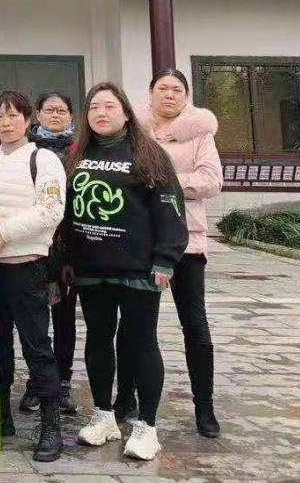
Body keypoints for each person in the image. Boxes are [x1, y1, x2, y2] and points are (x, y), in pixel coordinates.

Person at [63, 82, 188, 463]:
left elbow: (170, 207)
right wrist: (65, 259)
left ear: (126, 112)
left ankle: (147, 426)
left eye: (109, 106)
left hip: (138, 269)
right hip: (90, 268)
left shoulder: (149, 154)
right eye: (94, 107)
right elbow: (64, 211)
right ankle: (104, 415)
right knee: (98, 339)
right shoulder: (76, 155)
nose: (101, 113)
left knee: (141, 342)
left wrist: (166, 258)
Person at [119, 69, 222, 439]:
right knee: (134, 324)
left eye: (177, 89)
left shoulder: (200, 133)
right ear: (150, 93)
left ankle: (204, 405)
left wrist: (164, 183)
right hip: (140, 240)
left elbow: (211, 180)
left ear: (186, 96)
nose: (169, 94)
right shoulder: (133, 130)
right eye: (162, 88)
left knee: (194, 324)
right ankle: (125, 397)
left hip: (186, 241)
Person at [0, 91, 66, 462]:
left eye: (12, 116)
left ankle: (51, 426)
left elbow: (51, 210)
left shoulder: (43, 159)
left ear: (28, 119)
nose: (5, 123)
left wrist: (3, 233)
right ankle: (1, 416)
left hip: (27, 264)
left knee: (36, 345)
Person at [19, 91, 78, 417]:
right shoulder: (27, 149)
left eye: (62, 110)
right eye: (49, 109)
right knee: (34, 322)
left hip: (67, 250)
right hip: (32, 248)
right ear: (37, 114)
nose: (55, 114)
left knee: (64, 319)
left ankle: (63, 381)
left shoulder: (79, 150)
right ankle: (38, 383)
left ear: (70, 115)